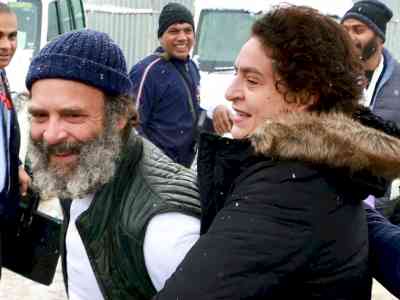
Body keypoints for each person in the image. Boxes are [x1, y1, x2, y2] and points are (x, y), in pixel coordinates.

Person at [153, 5, 400, 299]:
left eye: (252, 80)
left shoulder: (289, 189)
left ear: (305, 96)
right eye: (236, 73)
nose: (231, 91)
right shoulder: (320, 164)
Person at [25, 29, 201, 300]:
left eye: (72, 115)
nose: (50, 134)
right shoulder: (84, 172)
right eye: (39, 115)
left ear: (118, 116)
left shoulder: (167, 230)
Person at [129, 2, 211, 168]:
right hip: (156, 172)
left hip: (182, 168)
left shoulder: (192, 67)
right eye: (173, 31)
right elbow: (131, 127)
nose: (182, 37)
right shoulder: (147, 71)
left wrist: (214, 116)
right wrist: (153, 166)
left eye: (188, 30)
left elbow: (188, 114)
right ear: (161, 37)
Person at [342, 0, 400, 218]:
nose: (349, 37)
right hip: (335, 191)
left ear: (379, 39)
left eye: (358, 30)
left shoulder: (398, 82)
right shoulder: (328, 75)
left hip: (382, 201)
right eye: (345, 29)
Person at [0, 2, 30, 278]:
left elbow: (5, 134)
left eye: (12, 36)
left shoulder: (2, 78)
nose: (6, 45)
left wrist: (16, 166)